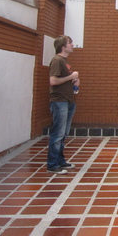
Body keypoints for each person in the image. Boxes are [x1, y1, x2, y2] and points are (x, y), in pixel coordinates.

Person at [47, 35, 80, 174]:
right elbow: (53, 81)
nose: (72, 45)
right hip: (59, 101)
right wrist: (71, 76)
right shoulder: (57, 60)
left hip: (68, 101)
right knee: (58, 134)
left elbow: (63, 79)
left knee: (64, 133)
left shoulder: (64, 61)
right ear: (63, 46)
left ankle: (60, 161)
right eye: (69, 43)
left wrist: (74, 81)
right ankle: (52, 164)